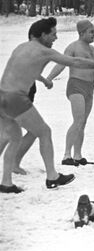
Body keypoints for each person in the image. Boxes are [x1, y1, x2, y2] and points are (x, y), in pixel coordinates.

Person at [0, 17, 94, 193]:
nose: (55, 38)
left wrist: (43, 79)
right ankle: (52, 176)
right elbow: (75, 62)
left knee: (14, 136)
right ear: (42, 34)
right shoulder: (44, 51)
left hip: (2, 95)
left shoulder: (21, 48)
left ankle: (6, 183)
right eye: (53, 34)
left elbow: (22, 68)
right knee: (44, 132)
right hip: (16, 98)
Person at [45, 20, 94, 166]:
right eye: (91, 32)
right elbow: (61, 63)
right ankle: (66, 155)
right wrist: (49, 78)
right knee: (77, 120)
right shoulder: (73, 48)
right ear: (81, 33)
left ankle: (77, 155)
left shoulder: (92, 49)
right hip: (76, 86)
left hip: (90, 88)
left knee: (82, 123)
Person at [0, 25, 53, 175]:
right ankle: (15, 165)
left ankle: (14, 166)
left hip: (15, 98)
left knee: (7, 134)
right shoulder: (32, 52)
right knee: (34, 131)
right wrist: (45, 81)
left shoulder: (25, 51)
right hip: (17, 99)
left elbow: (30, 71)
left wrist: (43, 80)